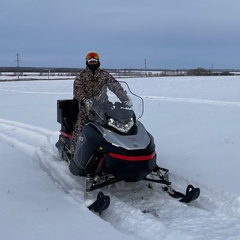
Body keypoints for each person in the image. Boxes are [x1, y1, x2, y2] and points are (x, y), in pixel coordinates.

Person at [69, 51, 130, 156]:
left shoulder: (104, 75)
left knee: (113, 126)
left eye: (94, 59)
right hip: (86, 107)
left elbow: (115, 86)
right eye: (90, 59)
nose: (92, 61)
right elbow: (77, 91)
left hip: (103, 106)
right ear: (87, 61)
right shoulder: (81, 75)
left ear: (98, 61)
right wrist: (84, 99)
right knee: (80, 127)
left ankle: (122, 150)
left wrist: (125, 99)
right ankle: (73, 152)